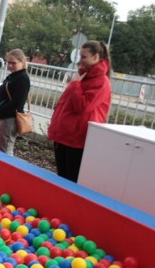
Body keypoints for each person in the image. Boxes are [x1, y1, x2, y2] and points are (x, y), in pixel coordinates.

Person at [48, 40, 112, 183]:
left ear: (96, 57)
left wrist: (75, 84)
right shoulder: (83, 76)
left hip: (77, 139)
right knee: (62, 177)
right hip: (66, 134)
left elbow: (82, 107)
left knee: (71, 179)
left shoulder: (101, 81)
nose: (80, 61)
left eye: (84, 57)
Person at [0, 49, 31, 156]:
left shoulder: (22, 78)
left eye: (13, 63)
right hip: (4, 117)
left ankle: (4, 170)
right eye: (8, 63)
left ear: (22, 62)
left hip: (9, 118)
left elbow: (17, 103)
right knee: (1, 147)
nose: (10, 66)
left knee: (4, 150)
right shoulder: (14, 76)